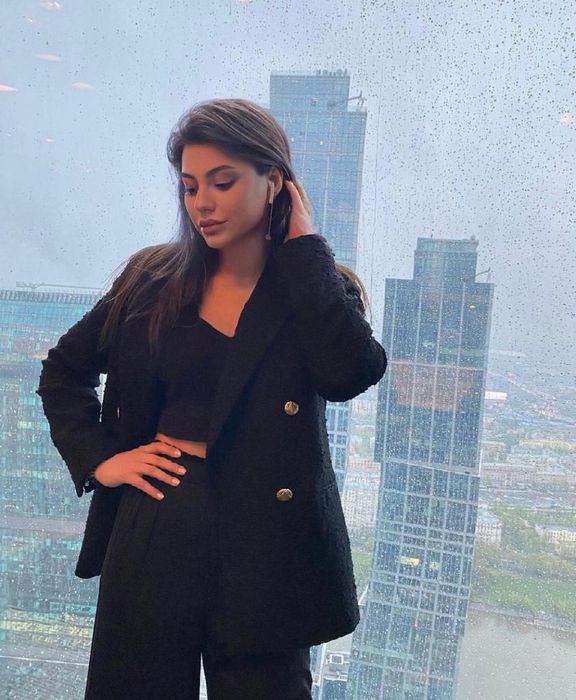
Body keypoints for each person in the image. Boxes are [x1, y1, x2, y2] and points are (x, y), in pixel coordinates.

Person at [36, 98, 387, 699]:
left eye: (223, 183)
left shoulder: (316, 288)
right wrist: (102, 460)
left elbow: (348, 374)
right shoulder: (152, 280)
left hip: (268, 539)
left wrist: (304, 249)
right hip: (160, 513)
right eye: (190, 186)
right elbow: (63, 371)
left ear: (274, 182)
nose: (202, 202)